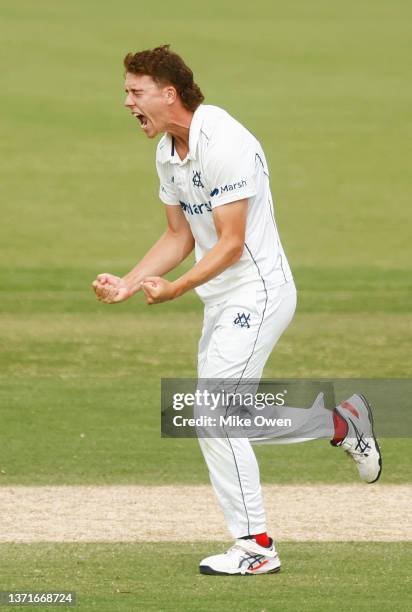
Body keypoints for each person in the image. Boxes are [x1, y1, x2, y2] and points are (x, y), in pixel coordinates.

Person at [92, 45, 382, 576]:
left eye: (135, 92)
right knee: (220, 418)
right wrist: (129, 283)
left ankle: (256, 547)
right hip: (222, 299)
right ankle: (339, 424)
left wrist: (175, 291)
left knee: (215, 418)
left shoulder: (223, 140)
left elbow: (229, 243)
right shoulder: (167, 153)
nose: (127, 102)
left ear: (168, 93)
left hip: (259, 292)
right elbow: (179, 235)